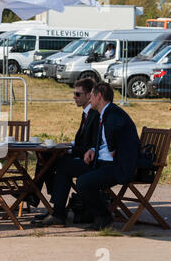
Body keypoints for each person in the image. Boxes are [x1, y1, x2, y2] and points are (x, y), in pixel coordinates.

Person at [41, 82, 140, 230]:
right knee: (64, 166)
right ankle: (58, 214)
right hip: (100, 162)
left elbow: (119, 136)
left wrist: (113, 149)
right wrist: (93, 149)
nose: (90, 99)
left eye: (92, 95)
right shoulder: (104, 113)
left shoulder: (113, 114)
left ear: (98, 96)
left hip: (116, 166)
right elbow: (104, 140)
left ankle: (103, 216)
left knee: (84, 182)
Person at [34, 78, 100, 224]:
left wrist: (70, 149)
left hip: (91, 161)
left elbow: (92, 146)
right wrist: (69, 145)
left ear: (90, 95)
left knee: (60, 166)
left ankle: (50, 206)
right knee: (45, 158)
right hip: (82, 157)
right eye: (74, 93)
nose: (74, 97)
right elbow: (82, 142)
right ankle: (38, 197)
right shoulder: (86, 114)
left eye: (78, 94)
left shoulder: (95, 115)